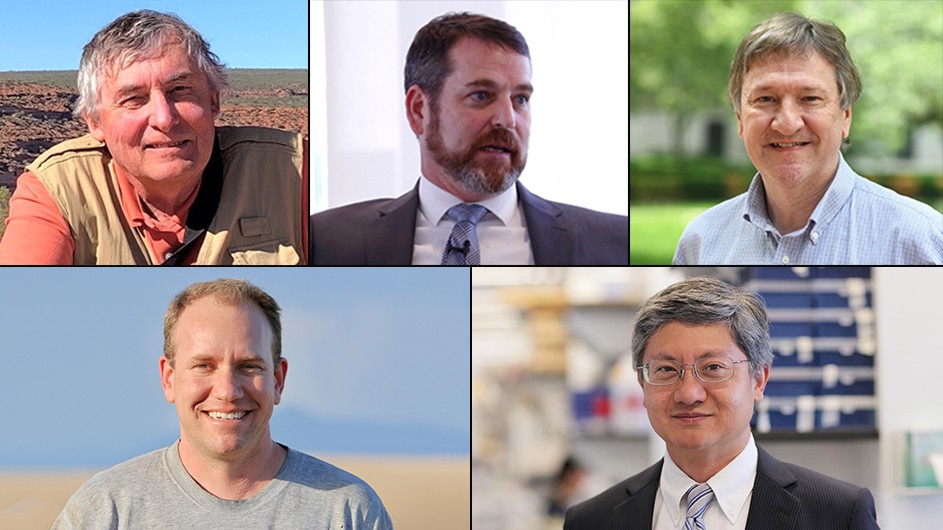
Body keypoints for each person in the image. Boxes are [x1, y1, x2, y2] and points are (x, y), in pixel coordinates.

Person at [53, 279, 392, 529]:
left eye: (249, 366)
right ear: (169, 378)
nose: (227, 391)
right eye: (204, 366)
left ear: (278, 379)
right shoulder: (104, 512)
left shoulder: (348, 511)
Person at [310, 12, 628, 265]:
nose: (507, 119)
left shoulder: (616, 241)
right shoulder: (323, 241)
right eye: (481, 95)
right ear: (419, 110)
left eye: (520, 99)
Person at [564, 276, 880, 530]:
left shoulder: (838, 514)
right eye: (666, 370)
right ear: (642, 384)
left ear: (758, 379)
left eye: (713, 368)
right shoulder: (592, 521)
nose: (689, 394)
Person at [0, 10, 307, 265]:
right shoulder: (57, 189)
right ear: (94, 122)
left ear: (213, 100)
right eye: (134, 99)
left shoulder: (294, 171)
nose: (164, 118)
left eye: (180, 90)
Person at [673, 12, 942, 265]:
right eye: (765, 99)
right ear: (740, 120)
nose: (787, 123)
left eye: (810, 98)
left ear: (845, 117)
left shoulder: (920, 240)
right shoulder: (700, 242)